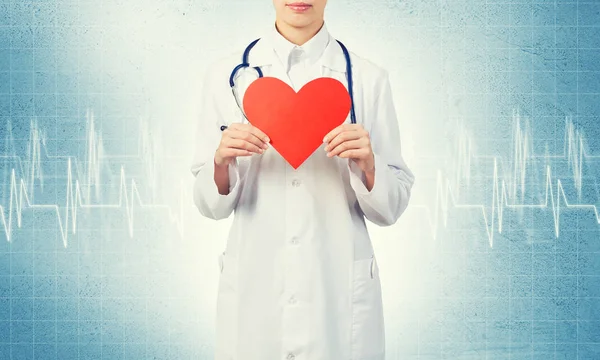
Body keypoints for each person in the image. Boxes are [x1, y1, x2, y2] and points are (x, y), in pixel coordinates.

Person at [190, 1, 415, 359]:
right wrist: (221, 160)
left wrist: (369, 165)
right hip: (256, 288)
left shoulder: (368, 79)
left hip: (336, 290)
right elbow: (210, 205)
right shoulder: (227, 75)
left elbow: (391, 207)